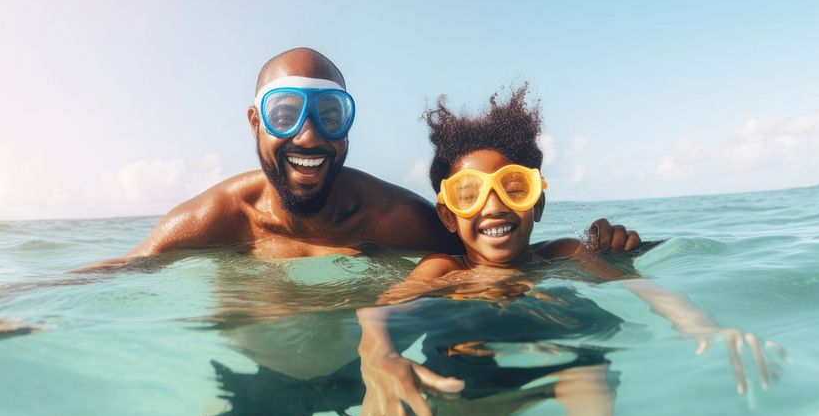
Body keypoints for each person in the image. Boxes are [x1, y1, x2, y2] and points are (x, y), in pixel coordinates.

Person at [355, 85, 780, 416]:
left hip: (566, 349)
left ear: (538, 202)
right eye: (469, 193)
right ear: (448, 216)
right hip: (469, 361)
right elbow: (379, 309)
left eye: (514, 187)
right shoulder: (445, 269)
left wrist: (703, 327)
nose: (493, 204)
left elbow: (636, 286)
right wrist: (380, 357)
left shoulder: (563, 254)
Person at [80, 47, 635, 270]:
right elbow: (117, 272)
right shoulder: (216, 218)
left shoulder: (392, 217)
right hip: (257, 376)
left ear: (348, 126)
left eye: (330, 115)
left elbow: (491, 249)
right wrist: (8, 307)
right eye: (285, 114)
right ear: (255, 123)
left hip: (361, 368)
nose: (310, 136)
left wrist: (594, 250)